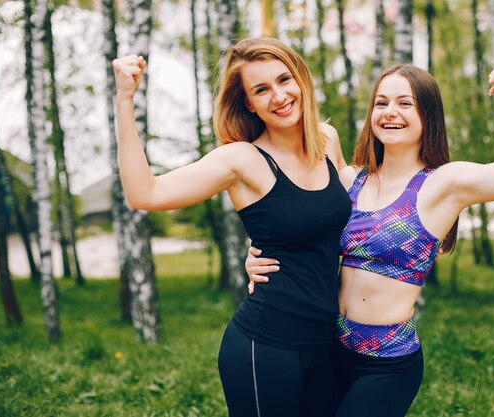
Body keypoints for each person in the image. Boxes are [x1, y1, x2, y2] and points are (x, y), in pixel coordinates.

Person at [246, 61, 494, 417]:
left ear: (428, 114)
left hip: (387, 366)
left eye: (404, 103)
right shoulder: (350, 181)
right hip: (326, 348)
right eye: (381, 103)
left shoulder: (444, 184)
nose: (390, 112)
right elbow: (292, 216)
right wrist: (256, 252)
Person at [112, 37, 352, 417]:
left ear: (301, 80)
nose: (278, 96)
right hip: (266, 345)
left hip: (325, 341)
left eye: (284, 79)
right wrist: (125, 101)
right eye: (261, 89)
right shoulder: (241, 160)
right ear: (248, 103)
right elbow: (145, 193)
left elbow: (335, 222)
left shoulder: (327, 140)